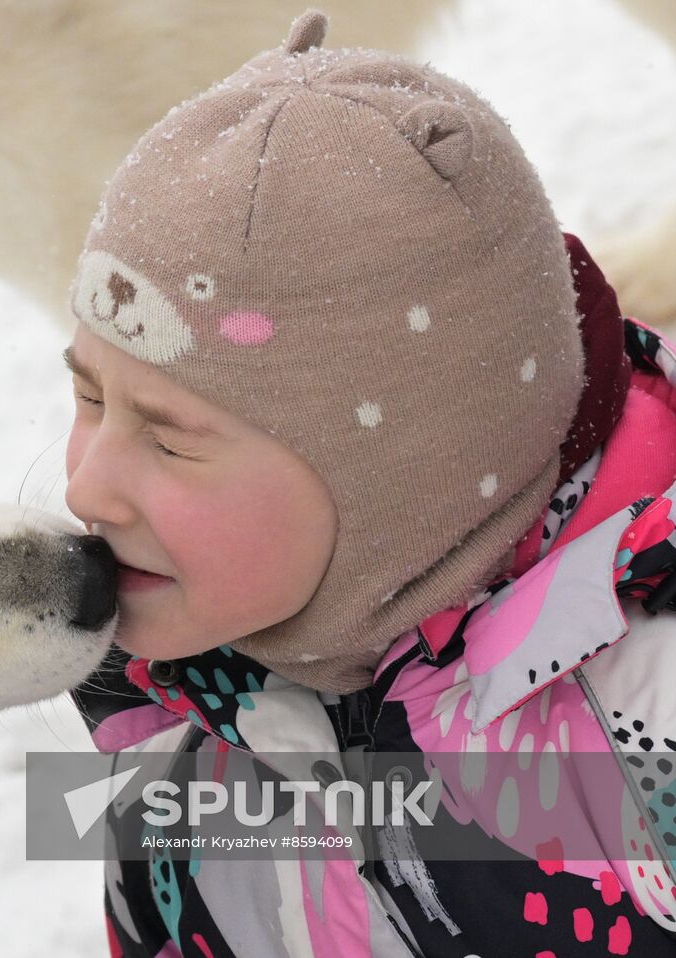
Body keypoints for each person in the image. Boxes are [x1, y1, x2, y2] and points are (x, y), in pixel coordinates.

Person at [66, 10, 676, 956]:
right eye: (89, 396)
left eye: (172, 440)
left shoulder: (649, 725)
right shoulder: (182, 709)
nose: (86, 488)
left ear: (399, 481)